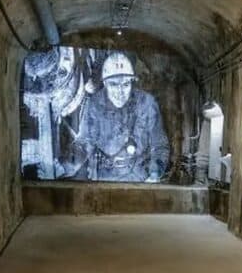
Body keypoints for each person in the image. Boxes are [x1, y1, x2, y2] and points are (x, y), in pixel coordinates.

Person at [71, 52, 170, 182]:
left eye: (125, 84)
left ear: (132, 82)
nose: (120, 92)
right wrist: (70, 162)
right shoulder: (94, 105)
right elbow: (85, 143)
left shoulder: (147, 104)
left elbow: (159, 146)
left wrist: (154, 174)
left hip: (139, 178)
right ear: (105, 83)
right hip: (104, 179)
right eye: (113, 84)